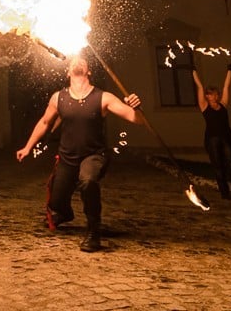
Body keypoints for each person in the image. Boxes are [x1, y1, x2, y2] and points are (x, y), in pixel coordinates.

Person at [15, 55, 145, 253]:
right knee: (56, 202)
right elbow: (44, 123)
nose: (78, 60)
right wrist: (27, 147)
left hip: (93, 156)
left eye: (82, 60)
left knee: (88, 181)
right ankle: (64, 214)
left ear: (88, 71)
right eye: (74, 60)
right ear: (68, 71)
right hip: (67, 158)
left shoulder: (103, 97)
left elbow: (136, 119)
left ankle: (94, 232)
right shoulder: (58, 97)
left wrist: (137, 108)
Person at [192, 64, 231, 200]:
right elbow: (199, 87)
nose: (211, 96)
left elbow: (227, 86)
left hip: (226, 137)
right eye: (208, 94)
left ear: (216, 95)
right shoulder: (204, 107)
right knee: (218, 166)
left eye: (213, 93)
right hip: (212, 139)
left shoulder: (223, 104)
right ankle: (225, 194)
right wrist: (193, 71)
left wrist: (229, 71)